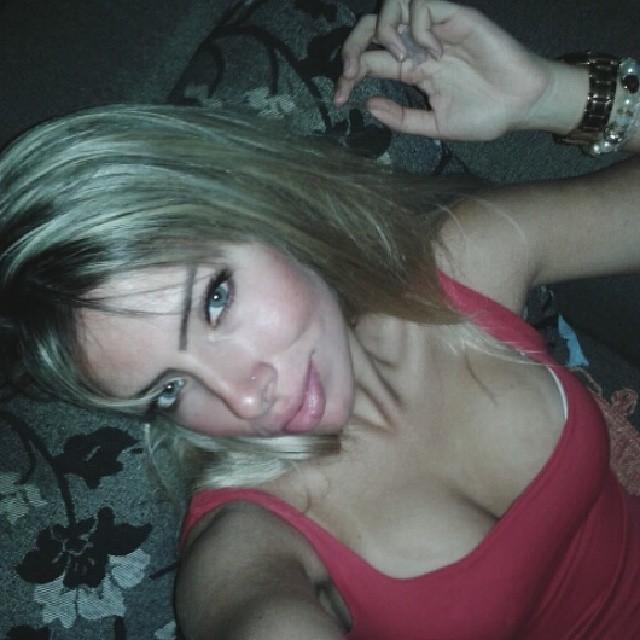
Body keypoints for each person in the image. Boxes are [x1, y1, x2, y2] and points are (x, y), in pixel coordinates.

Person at [1, 0, 639, 637]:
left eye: (214, 300)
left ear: (259, 208)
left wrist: (551, 96)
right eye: (169, 389)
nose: (244, 399)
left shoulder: (471, 262)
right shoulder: (251, 548)